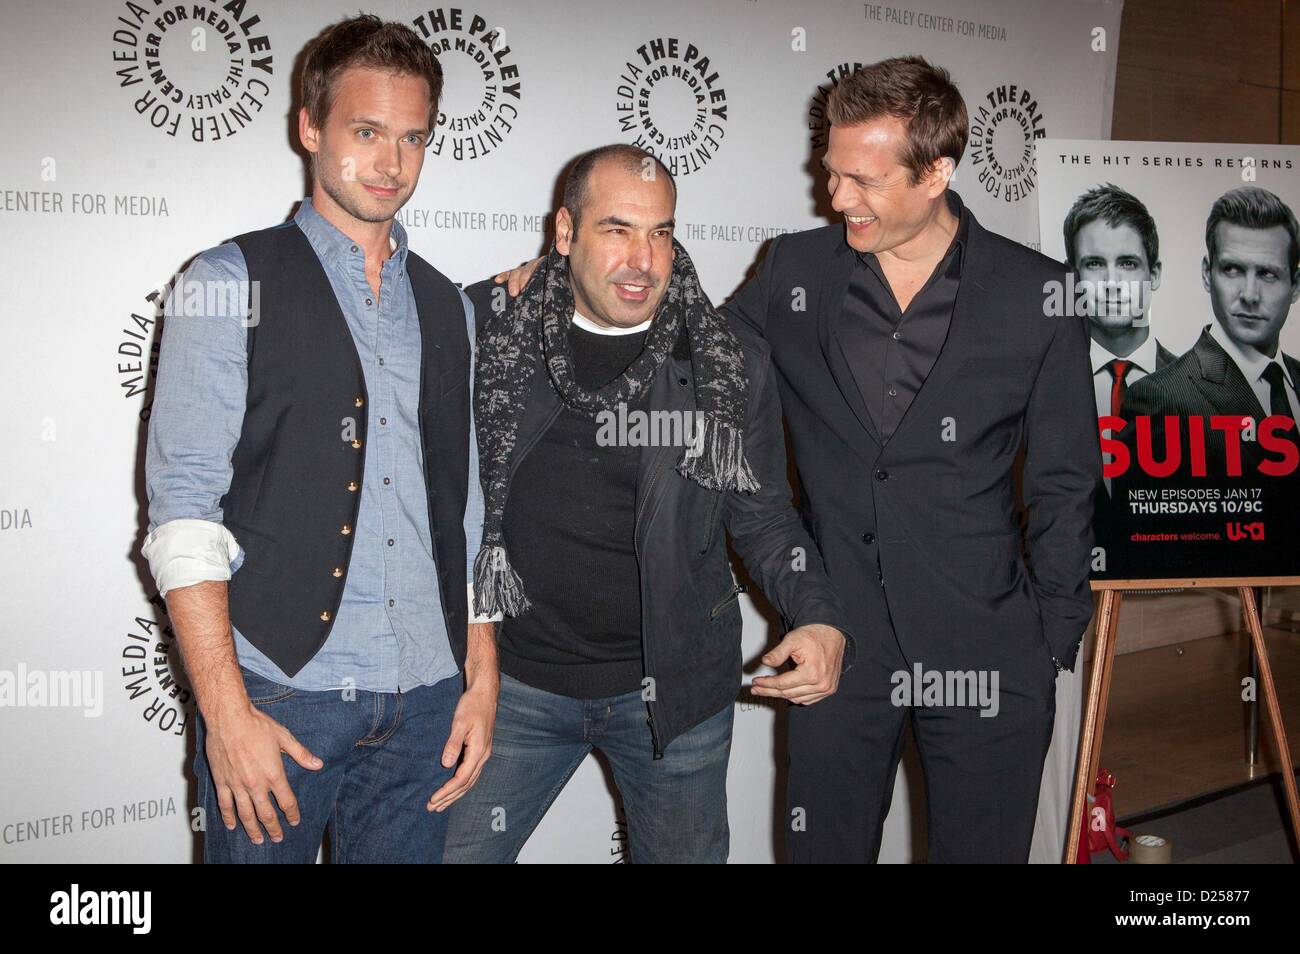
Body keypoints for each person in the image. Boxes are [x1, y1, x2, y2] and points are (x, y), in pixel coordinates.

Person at [141, 14, 497, 863]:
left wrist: (482, 675)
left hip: (428, 699)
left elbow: (468, 509)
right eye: (365, 132)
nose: (391, 163)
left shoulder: (449, 307)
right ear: (310, 127)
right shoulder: (226, 281)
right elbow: (185, 513)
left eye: (413, 138)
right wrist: (224, 713)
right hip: (279, 694)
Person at [723, 56, 1097, 862]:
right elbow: (702, 357)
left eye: (863, 180)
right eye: (832, 173)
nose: (837, 198)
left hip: (992, 651)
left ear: (937, 172)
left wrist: (1050, 638)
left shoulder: (1040, 294)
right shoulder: (795, 272)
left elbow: (1067, 481)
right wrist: (562, 284)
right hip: (838, 642)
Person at [444, 144, 853, 864]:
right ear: (564, 234)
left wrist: (815, 611)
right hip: (512, 684)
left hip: (674, 691)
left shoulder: (725, 363)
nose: (643, 259)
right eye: (616, 230)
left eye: (660, 232)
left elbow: (762, 515)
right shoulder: (490, 331)